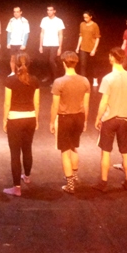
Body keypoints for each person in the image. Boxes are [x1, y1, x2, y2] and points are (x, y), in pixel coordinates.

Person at [93, 48, 127, 192]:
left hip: (110, 119)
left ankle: (104, 183)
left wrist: (98, 117)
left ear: (112, 58)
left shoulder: (108, 78)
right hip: (125, 119)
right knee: (126, 152)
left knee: (105, 152)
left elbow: (104, 101)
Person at [49, 51, 90, 194]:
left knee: (65, 151)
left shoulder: (59, 82)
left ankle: (70, 184)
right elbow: (86, 104)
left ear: (63, 63)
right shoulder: (84, 81)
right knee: (73, 147)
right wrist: (85, 120)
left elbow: (55, 105)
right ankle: (75, 175)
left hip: (65, 118)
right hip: (79, 117)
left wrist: (52, 122)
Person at [3, 53, 39, 196]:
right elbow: (36, 103)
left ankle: (16, 187)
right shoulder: (34, 80)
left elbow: (7, 103)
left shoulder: (10, 80)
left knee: (15, 153)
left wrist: (4, 120)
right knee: (27, 149)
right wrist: (36, 119)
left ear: (15, 64)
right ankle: (27, 177)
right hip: (30, 118)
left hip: (15, 119)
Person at [39, 4, 65, 83]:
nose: (49, 12)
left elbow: (60, 34)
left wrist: (60, 47)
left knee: (51, 60)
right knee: (46, 62)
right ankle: (48, 76)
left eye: (51, 10)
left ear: (54, 11)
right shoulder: (44, 20)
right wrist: (40, 45)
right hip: (45, 44)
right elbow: (42, 33)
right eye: (48, 10)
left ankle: (55, 78)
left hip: (55, 44)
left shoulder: (59, 21)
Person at [75, 11, 100, 84]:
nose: (85, 19)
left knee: (93, 64)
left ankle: (95, 79)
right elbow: (81, 36)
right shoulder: (82, 24)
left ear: (91, 17)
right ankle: (83, 81)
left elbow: (97, 38)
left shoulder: (95, 25)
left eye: (86, 17)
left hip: (92, 47)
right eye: (84, 17)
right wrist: (77, 47)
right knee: (83, 65)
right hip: (83, 47)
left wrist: (94, 49)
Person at [5, 6, 30, 75]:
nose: (15, 13)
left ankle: (22, 73)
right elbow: (9, 32)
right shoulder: (11, 20)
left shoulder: (24, 21)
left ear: (21, 12)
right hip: (13, 43)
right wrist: (8, 43)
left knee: (22, 59)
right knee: (12, 58)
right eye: (14, 12)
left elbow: (26, 33)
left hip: (20, 43)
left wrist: (24, 44)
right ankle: (13, 72)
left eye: (17, 12)